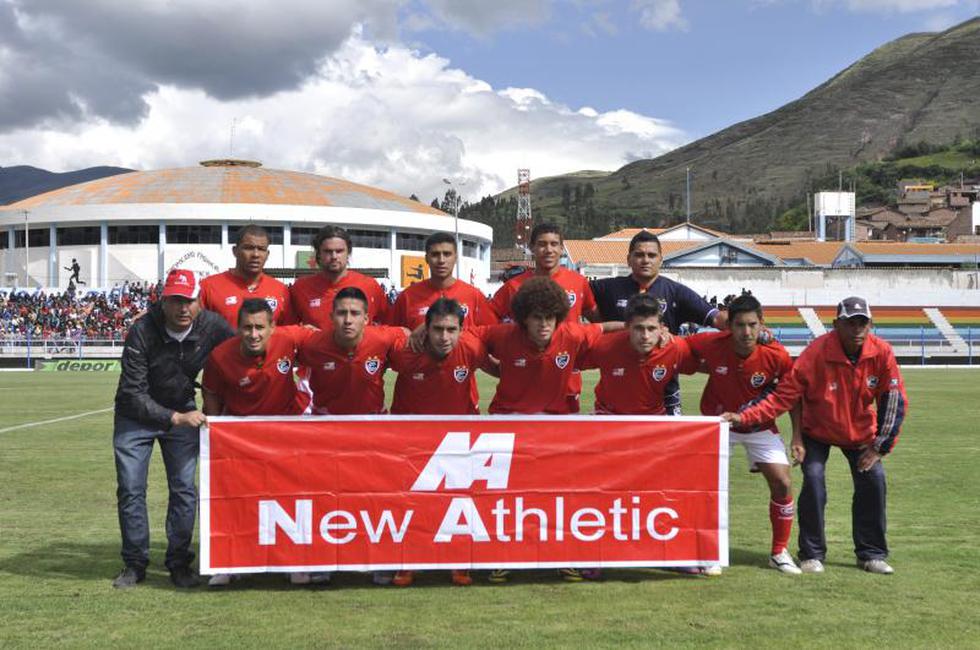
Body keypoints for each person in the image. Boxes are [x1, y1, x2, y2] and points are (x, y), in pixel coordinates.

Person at [724, 297, 907, 575]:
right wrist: (745, 417)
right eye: (850, 323)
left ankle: (871, 554)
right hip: (817, 429)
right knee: (813, 480)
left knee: (874, 481)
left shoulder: (882, 352)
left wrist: (879, 448)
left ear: (870, 324)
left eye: (863, 323)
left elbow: (893, 400)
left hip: (860, 433)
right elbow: (784, 395)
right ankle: (811, 554)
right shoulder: (816, 352)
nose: (857, 329)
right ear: (836, 324)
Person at [471, 276, 620, 583]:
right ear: (524, 318)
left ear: (559, 317)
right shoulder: (503, 335)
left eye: (550, 317)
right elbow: (468, 336)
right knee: (507, 498)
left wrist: (643, 327)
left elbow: (605, 327)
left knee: (558, 497)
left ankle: (562, 556)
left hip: (555, 427)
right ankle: (503, 557)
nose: (543, 324)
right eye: (536, 317)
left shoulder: (572, 333)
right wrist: (493, 366)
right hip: (509, 423)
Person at [111, 269, 234, 589]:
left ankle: (179, 563)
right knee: (131, 489)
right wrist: (177, 417)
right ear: (163, 301)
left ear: (199, 301)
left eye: (189, 300)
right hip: (135, 417)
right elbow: (132, 392)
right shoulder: (142, 331)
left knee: (184, 489)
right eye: (175, 300)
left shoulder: (213, 326)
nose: (183, 308)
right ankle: (134, 564)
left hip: (182, 408)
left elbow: (244, 349)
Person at [683, 294, 801, 574]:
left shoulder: (777, 355)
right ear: (729, 326)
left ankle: (778, 552)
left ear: (762, 324)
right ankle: (707, 551)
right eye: (739, 325)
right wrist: (667, 338)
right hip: (718, 424)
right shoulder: (711, 343)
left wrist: (797, 437)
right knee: (707, 488)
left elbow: (791, 396)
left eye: (752, 325)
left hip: (759, 427)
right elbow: (682, 347)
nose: (746, 332)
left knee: (783, 483)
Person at [201, 298, 314, 587]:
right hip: (242, 437)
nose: (254, 334)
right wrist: (215, 425)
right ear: (238, 328)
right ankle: (229, 562)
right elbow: (211, 391)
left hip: (286, 434)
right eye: (247, 328)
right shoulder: (220, 357)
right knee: (238, 500)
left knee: (290, 498)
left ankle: (295, 563)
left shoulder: (289, 339)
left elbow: (321, 336)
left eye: (260, 328)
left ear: (273, 327)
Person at [389, 298, 489, 587]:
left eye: (451, 330)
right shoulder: (404, 353)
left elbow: (499, 365)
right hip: (412, 438)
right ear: (426, 329)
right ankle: (407, 563)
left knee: (459, 501)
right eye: (437, 329)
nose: (444, 337)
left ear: (461, 330)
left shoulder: (472, 348)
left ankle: (459, 563)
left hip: (458, 438)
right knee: (412, 503)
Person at [589, 230, 727, 415]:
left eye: (651, 255)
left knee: (670, 435)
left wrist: (749, 327)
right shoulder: (607, 288)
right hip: (618, 392)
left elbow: (717, 318)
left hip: (664, 391)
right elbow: (573, 295)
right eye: (639, 255)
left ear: (661, 260)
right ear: (629, 259)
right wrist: (601, 323)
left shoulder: (676, 292)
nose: (645, 260)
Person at [490, 223, 597, 412]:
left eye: (554, 244)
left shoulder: (578, 282)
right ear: (532, 248)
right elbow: (487, 324)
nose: (548, 250)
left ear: (562, 248)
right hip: (524, 378)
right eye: (542, 244)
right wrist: (500, 359)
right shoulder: (514, 286)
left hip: (565, 378)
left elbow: (595, 318)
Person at [387, 232, 497, 330]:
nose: (441, 260)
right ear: (426, 258)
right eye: (435, 254)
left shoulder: (475, 296)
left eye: (447, 254)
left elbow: (491, 335)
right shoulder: (407, 297)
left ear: (455, 258)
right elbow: (393, 337)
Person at [289, 225, 388, 328]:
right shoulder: (300, 288)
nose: (334, 256)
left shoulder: (370, 286)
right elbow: (289, 330)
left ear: (348, 253)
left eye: (339, 251)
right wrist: (304, 333)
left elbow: (387, 327)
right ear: (318, 254)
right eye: (328, 251)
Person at [198, 225, 294, 327]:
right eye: (249, 248)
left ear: (267, 254)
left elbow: (288, 331)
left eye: (261, 249)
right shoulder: (208, 286)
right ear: (235, 251)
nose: (256, 254)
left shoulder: (281, 290)